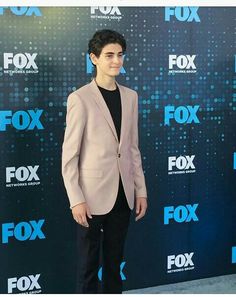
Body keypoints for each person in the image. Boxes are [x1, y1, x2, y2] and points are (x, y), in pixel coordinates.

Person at [61, 29, 148, 294]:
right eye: (109, 55)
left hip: (123, 194)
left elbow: (132, 148)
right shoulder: (80, 98)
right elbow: (69, 155)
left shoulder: (131, 97)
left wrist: (140, 190)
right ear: (94, 58)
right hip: (91, 197)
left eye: (120, 55)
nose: (116, 61)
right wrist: (76, 198)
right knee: (88, 266)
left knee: (114, 263)